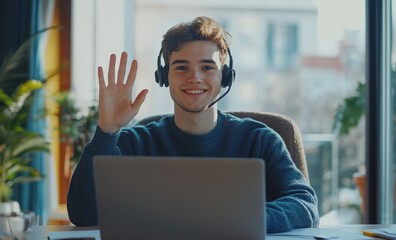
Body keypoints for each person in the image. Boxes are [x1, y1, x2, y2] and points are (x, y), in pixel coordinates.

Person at [67, 16, 319, 233]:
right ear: (164, 77)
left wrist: (243, 218)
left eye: (207, 67)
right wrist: (107, 131)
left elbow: (304, 204)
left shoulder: (260, 139)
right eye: (181, 67)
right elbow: (83, 214)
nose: (194, 77)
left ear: (225, 76)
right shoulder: (135, 141)